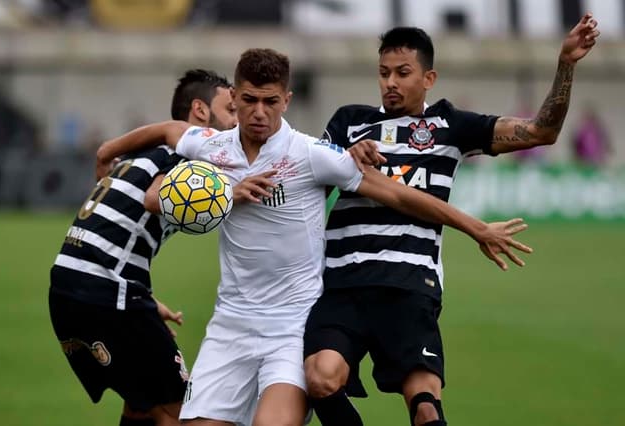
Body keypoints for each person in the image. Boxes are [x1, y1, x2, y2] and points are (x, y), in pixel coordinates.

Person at [96, 48, 532, 426]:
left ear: (286, 99)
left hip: (292, 325)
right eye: (248, 100)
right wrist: (111, 151)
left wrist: (474, 227)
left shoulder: (310, 154)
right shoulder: (214, 149)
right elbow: (164, 163)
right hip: (230, 324)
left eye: (270, 101)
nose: (259, 112)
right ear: (234, 98)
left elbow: (397, 194)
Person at [302, 13, 600, 426]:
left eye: (403, 73)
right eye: (384, 72)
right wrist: (345, 157)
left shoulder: (450, 125)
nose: (390, 82)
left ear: (429, 78)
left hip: (410, 286)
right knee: (320, 380)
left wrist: (565, 64)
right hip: (343, 284)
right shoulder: (349, 121)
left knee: (425, 408)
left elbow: (540, 132)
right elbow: (312, 172)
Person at [49, 69, 237, 426]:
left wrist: (145, 302)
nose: (237, 121)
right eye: (231, 110)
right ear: (200, 111)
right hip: (107, 292)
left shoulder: (150, 154)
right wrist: (232, 195)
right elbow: (155, 198)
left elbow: (121, 227)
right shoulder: (196, 150)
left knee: (141, 405)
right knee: (178, 410)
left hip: (68, 288)